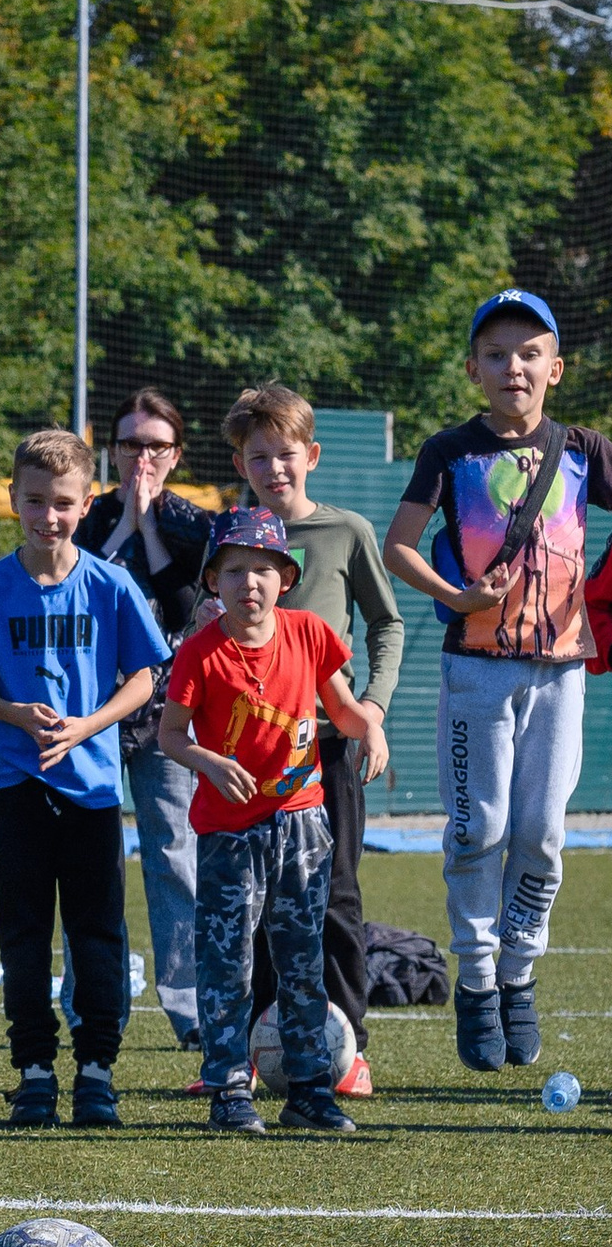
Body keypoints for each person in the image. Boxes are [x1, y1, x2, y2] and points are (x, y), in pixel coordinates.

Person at [382, 290, 612, 1072]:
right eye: (495, 354)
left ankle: (520, 974)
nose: (512, 367)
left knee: (543, 835)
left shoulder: (584, 450)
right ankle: (478, 985)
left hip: (561, 674)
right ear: (473, 368)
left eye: (528, 353)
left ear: (555, 367)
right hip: (475, 670)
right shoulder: (449, 451)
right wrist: (455, 598)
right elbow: (399, 549)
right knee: (478, 831)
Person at [0, 428, 166, 1128]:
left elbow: (145, 676)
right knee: (22, 934)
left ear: (86, 502)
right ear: (13, 499)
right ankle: (34, 1071)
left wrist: (87, 725)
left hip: (95, 792)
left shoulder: (110, 582)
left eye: (63, 503)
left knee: (98, 933)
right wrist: (14, 712)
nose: (49, 516)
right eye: (35, 501)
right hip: (17, 789)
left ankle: (97, 1071)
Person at [159, 506, 385, 1135]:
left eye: (263, 569)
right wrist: (208, 760)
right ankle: (230, 1089)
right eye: (234, 571)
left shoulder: (311, 632)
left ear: (286, 578)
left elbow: (341, 707)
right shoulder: (201, 652)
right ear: (213, 581)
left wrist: (372, 729)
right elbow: (171, 735)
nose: (249, 583)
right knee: (227, 963)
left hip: (303, 826)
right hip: (229, 835)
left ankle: (310, 1089)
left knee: (302, 959)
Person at [226, 383, 404, 1097]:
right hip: (253, 761)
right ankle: (251, 1048)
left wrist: (373, 707)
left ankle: (348, 1049)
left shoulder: (347, 532)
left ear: (312, 456)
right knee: (257, 901)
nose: (275, 468)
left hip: (328, 747)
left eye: (287, 454)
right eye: (259, 456)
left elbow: (386, 625)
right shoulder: (232, 538)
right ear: (242, 464)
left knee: (333, 895)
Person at [72, 387, 211, 1053]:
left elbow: (182, 609)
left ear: (175, 453)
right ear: (114, 450)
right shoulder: (88, 517)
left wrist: (150, 526)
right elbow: (86, 583)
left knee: (174, 859)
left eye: (155, 445)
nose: (143, 456)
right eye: (132, 444)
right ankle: (89, 1008)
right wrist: (125, 523)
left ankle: (189, 1010)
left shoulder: (196, 523)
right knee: (91, 864)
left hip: (168, 717)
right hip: (93, 715)